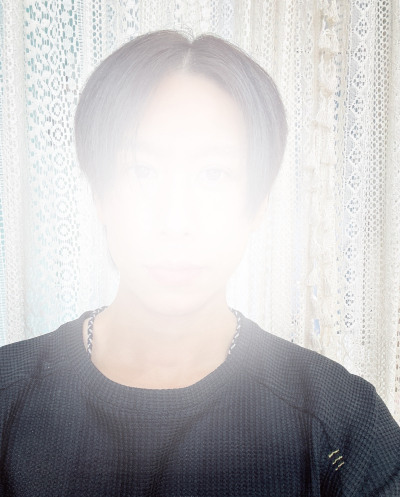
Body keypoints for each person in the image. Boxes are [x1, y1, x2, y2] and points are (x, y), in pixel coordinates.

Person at [0, 30, 399, 496]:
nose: (176, 221)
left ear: (258, 204)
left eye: (214, 174)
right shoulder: (9, 396)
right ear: (99, 195)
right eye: (141, 171)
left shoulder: (343, 424)